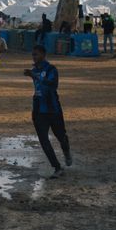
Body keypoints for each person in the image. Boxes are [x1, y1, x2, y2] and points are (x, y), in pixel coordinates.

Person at [23, 45, 72, 178]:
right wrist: (32, 75)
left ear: (44, 55)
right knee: (44, 140)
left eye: (36, 54)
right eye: (33, 55)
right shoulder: (34, 70)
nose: (34, 57)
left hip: (53, 109)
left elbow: (53, 85)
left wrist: (35, 76)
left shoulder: (52, 69)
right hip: (39, 110)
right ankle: (57, 168)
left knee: (61, 136)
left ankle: (66, 151)